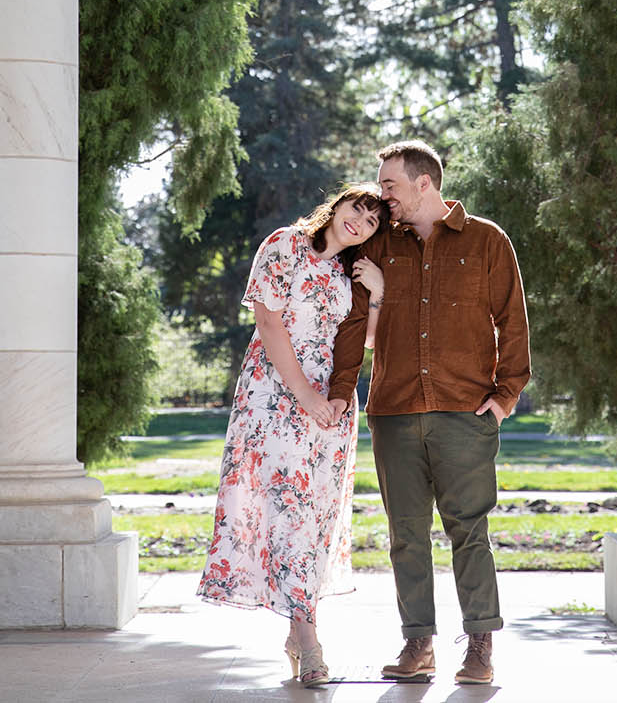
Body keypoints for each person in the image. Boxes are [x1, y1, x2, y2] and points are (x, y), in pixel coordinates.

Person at [326, 139, 530, 688]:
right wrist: (343, 391)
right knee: (405, 533)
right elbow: (351, 324)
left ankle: (481, 647)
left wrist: (506, 395)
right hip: (392, 410)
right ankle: (418, 643)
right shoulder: (379, 247)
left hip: (465, 412)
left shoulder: (488, 241)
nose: (381, 195)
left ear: (424, 184)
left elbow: (513, 322)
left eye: (389, 185)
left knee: (469, 531)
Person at [197, 183, 387, 687]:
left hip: (331, 409)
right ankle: (309, 641)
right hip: (277, 395)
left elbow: (365, 340)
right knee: (286, 511)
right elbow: (268, 321)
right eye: (357, 209)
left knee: (313, 518)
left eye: (372, 222)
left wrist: (379, 295)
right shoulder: (285, 244)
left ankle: (298, 633)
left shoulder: (352, 274)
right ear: (338, 204)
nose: (360, 223)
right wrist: (305, 396)